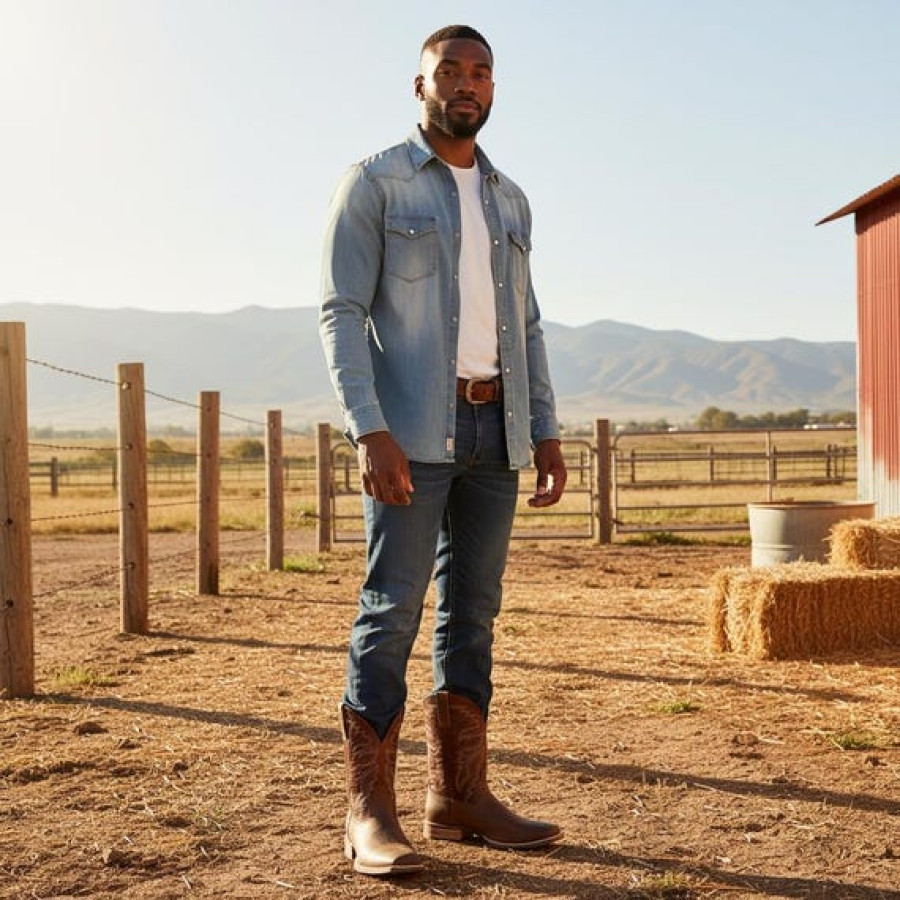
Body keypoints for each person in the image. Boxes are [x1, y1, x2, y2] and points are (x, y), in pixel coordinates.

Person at [319, 24, 567, 876]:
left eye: (481, 72)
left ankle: (460, 797)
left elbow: (525, 323)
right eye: (450, 71)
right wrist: (368, 426)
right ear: (419, 86)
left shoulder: (511, 199)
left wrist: (544, 426)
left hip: (495, 433)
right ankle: (368, 814)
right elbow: (340, 312)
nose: (467, 84)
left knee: (475, 615)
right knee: (391, 611)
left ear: (493, 89)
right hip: (411, 434)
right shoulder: (376, 184)